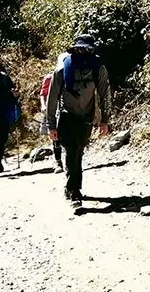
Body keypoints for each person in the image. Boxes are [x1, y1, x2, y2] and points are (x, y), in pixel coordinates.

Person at [46, 34, 112, 207]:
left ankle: (72, 187)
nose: (80, 52)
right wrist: (51, 125)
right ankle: (75, 190)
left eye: (84, 49)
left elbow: (105, 94)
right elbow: (52, 98)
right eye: (78, 49)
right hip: (67, 116)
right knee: (71, 151)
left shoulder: (98, 69)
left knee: (79, 152)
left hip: (86, 119)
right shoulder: (61, 70)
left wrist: (105, 120)